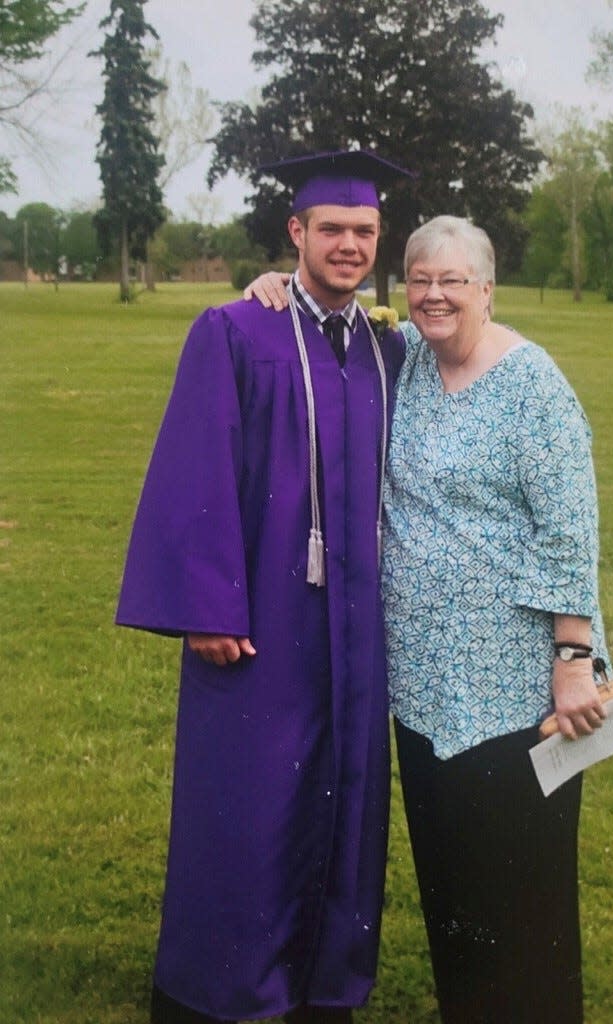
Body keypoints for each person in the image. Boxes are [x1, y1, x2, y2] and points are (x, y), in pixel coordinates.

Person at [246, 215, 611, 1024]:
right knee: (452, 883)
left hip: (517, 688)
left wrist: (573, 656)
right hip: (420, 686)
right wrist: (274, 286)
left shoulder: (531, 383)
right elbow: (321, 331)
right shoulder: (403, 359)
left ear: (488, 289)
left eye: (453, 280)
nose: (434, 295)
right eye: (419, 280)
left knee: (521, 887)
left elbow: (569, 526)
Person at [116, 150, 412, 1024]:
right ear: (297, 233)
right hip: (265, 617)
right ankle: (226, 987)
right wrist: (208, 606)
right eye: (332, 230)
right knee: (251, 798)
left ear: (377, 237)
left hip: (356, 621)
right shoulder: (235, 331)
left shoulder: (384, 346)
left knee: (345, 793)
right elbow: (195, 467)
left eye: (363, 231)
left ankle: (326, 984)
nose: (349, 245)